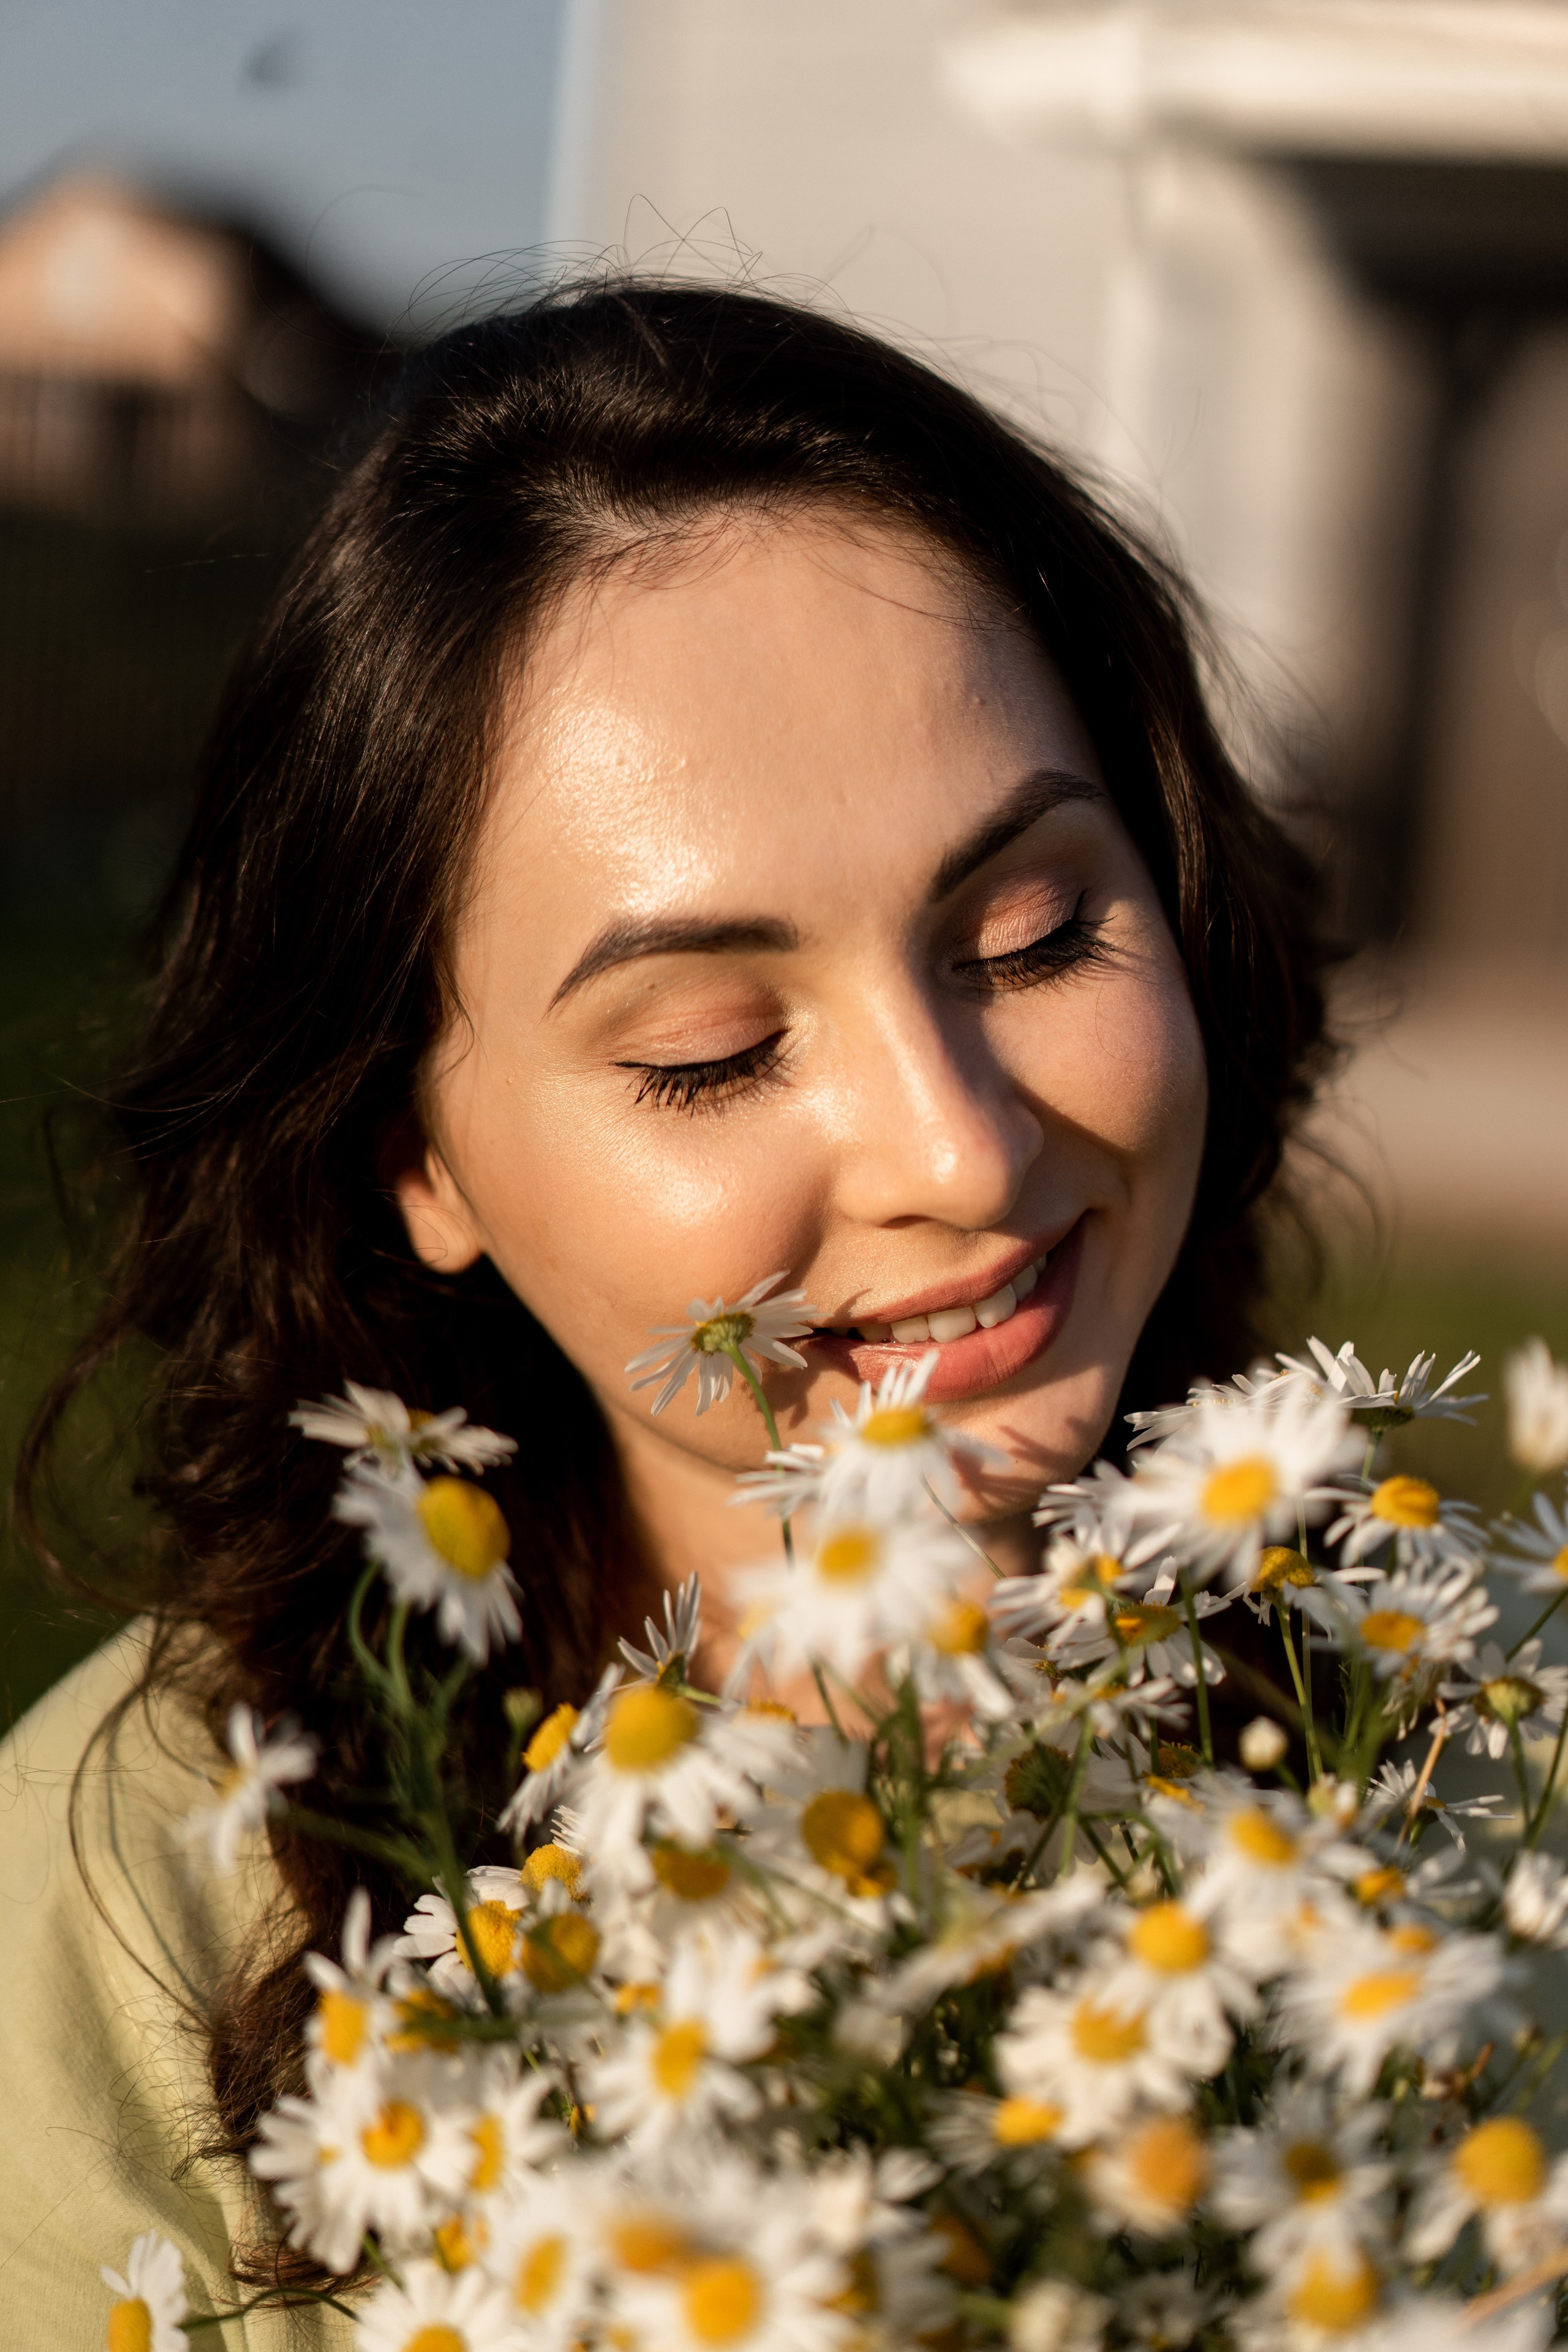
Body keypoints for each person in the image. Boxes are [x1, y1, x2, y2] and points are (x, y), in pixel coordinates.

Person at [0, 278, 1329, 2344]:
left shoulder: (1454, 1757)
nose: (959, 1153)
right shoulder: (136, 1894)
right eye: (710, 1051)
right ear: (405, 1157)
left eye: (1040, 927)